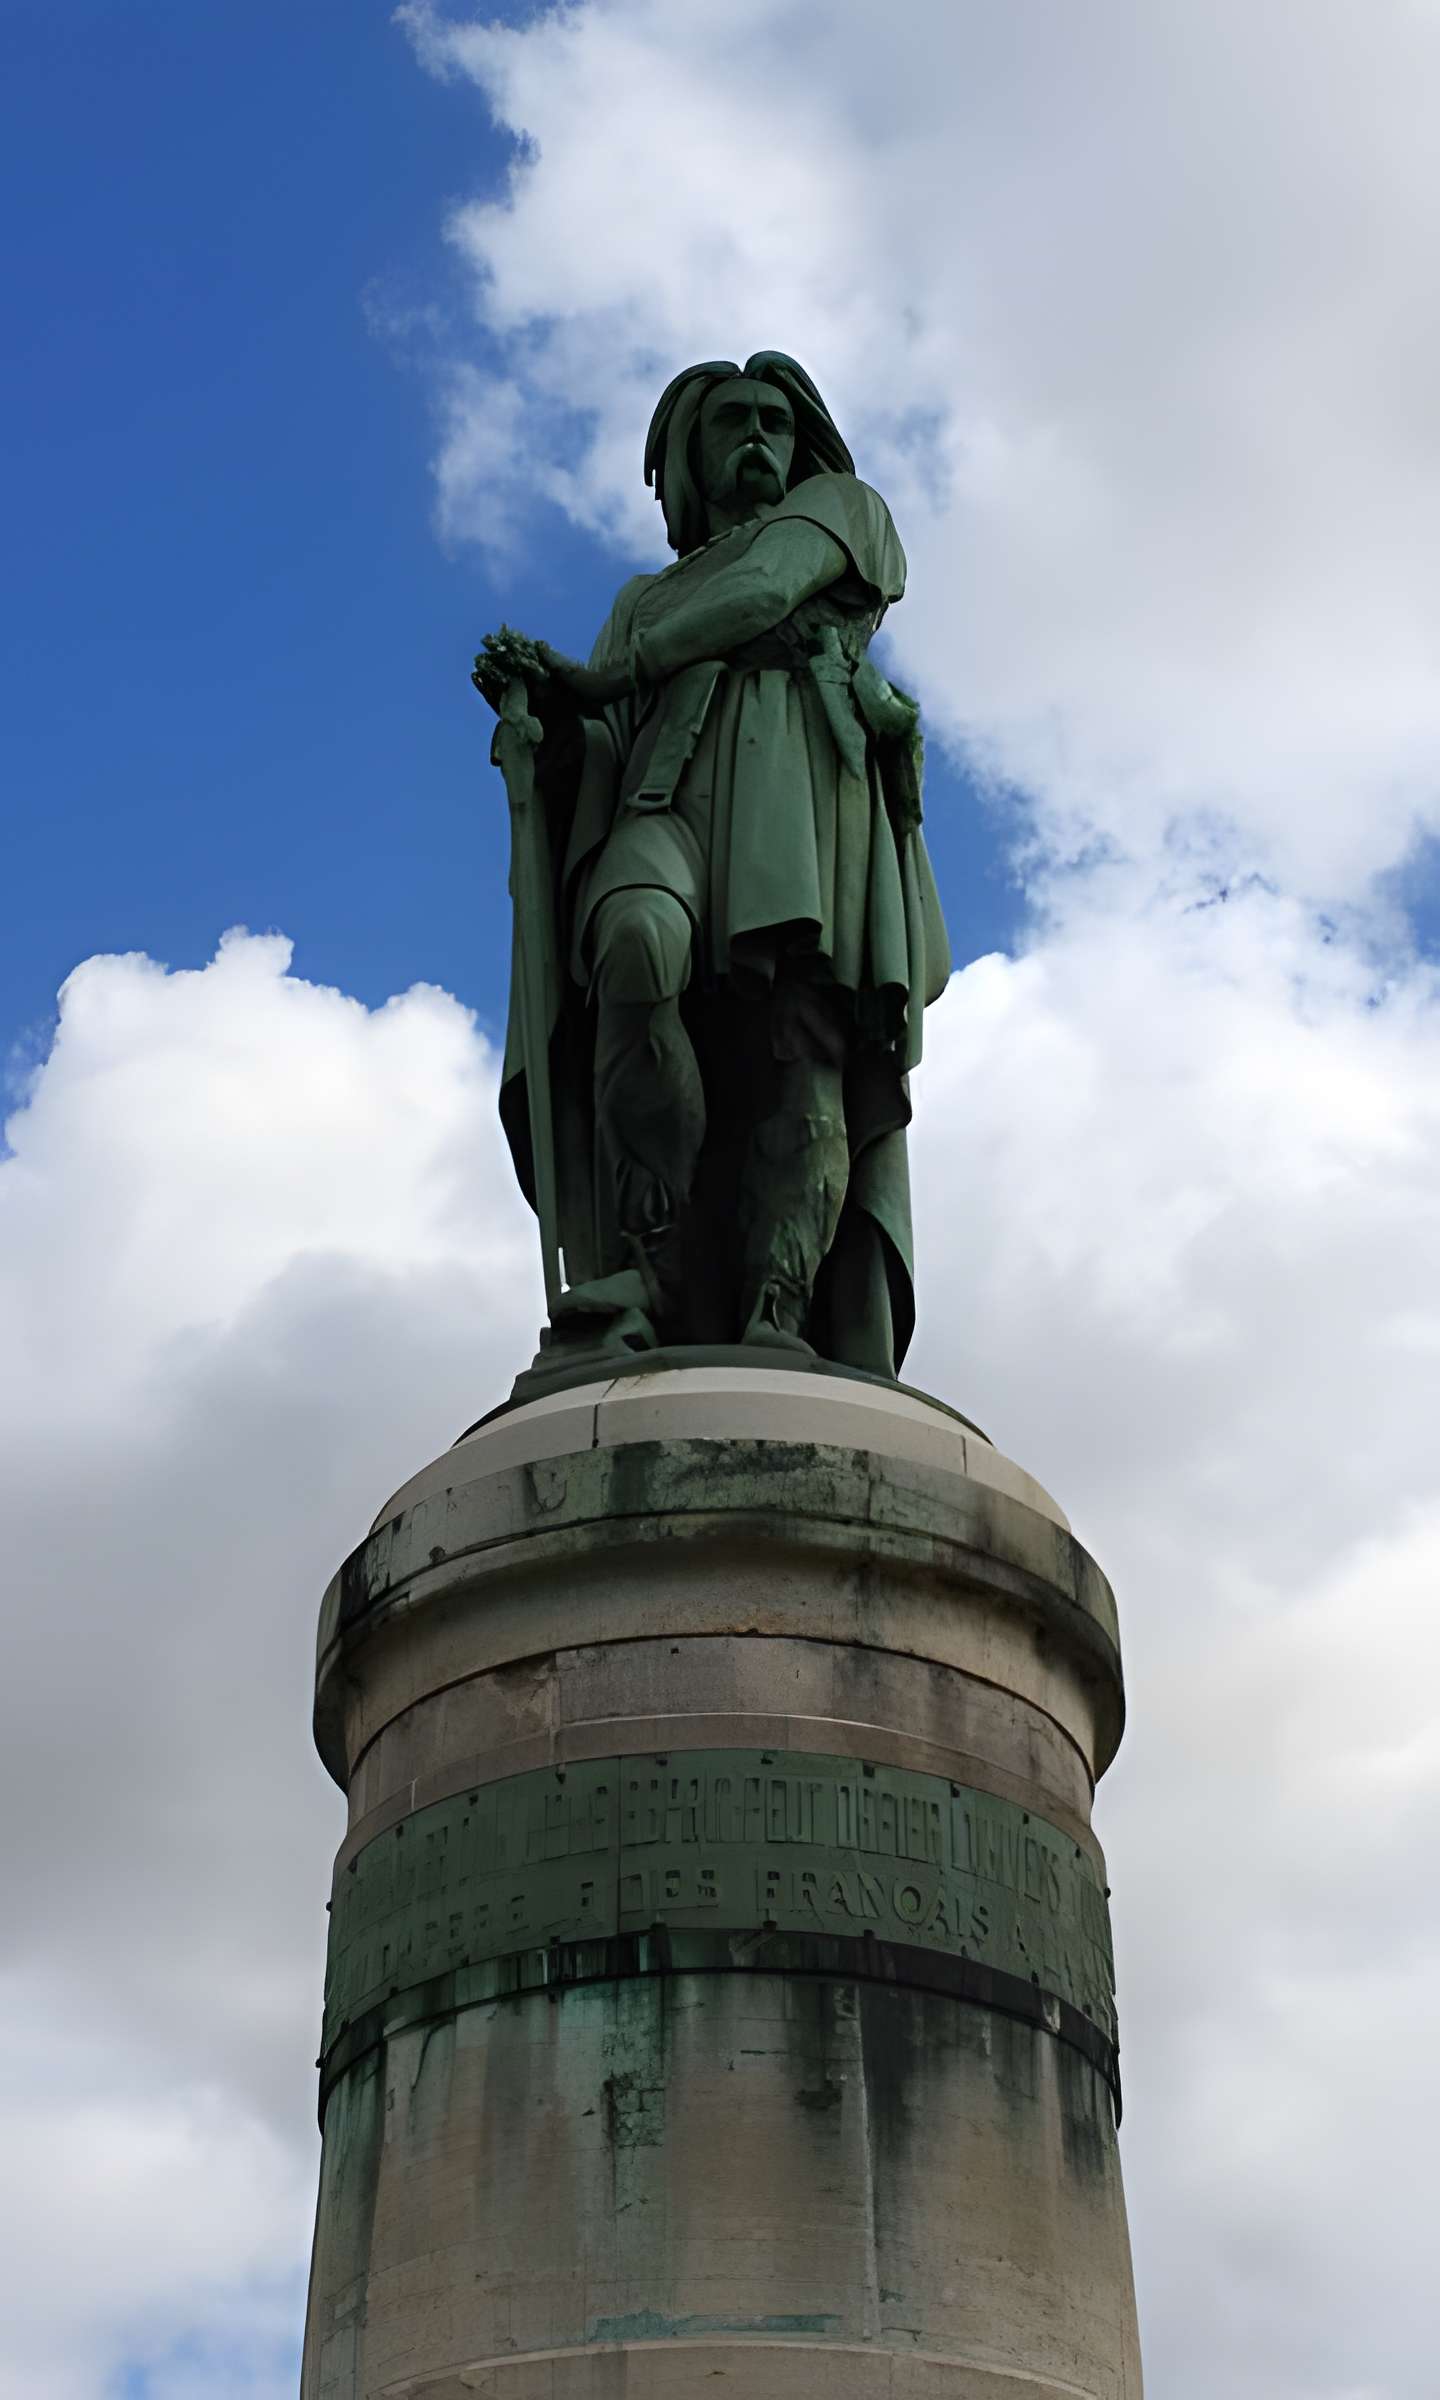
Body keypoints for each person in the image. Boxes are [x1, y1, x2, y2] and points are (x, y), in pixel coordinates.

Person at [476, 351, 950, 1381]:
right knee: (634, 948)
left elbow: (766, 593)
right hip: (662, 801)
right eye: (730, 422)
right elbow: (602, 746)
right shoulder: (643, 599)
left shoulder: (843, 513)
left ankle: (782, 1298)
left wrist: (601, 674)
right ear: (689, 458)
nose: (755, 440)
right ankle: (651, 1263)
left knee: (800, 1048)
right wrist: (552, 729)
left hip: (801, 804)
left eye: (774, 424)